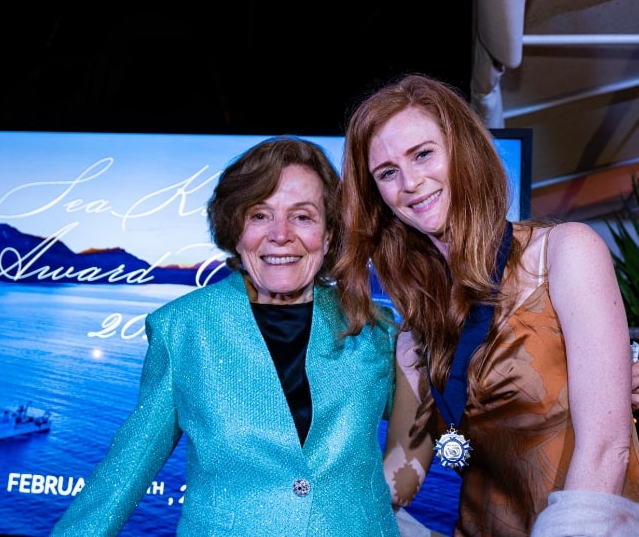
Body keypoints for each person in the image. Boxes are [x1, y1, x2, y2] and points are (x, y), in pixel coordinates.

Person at [335, 73, 639, 536]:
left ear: (464, 150)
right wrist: (302, 490)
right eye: (387, 173)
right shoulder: (417, 332)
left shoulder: (565, 254)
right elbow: (403, 472)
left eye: (423, 154)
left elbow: (605, 449)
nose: (410, 182)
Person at [51, 136, 401, 535]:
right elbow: (124, 472)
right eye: (259, 215)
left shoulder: (375, 327)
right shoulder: (183, 328)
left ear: (329, 233)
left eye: (302, 217)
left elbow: (430, 424)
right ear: (235, 230)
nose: (280, 234)